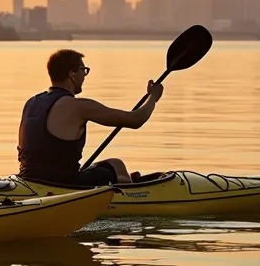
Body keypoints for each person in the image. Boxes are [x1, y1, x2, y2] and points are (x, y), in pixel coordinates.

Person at [17, 48, 163, 186]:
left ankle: (123, 180)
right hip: (63, 185)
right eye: (83, 70)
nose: (84, 76)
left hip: (27, 179)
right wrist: (153, 97)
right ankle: (131, 196)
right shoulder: (79, 106)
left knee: (106, 166)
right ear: (72, 73)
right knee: (117, 165)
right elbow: (136, 119)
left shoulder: (32, 102)